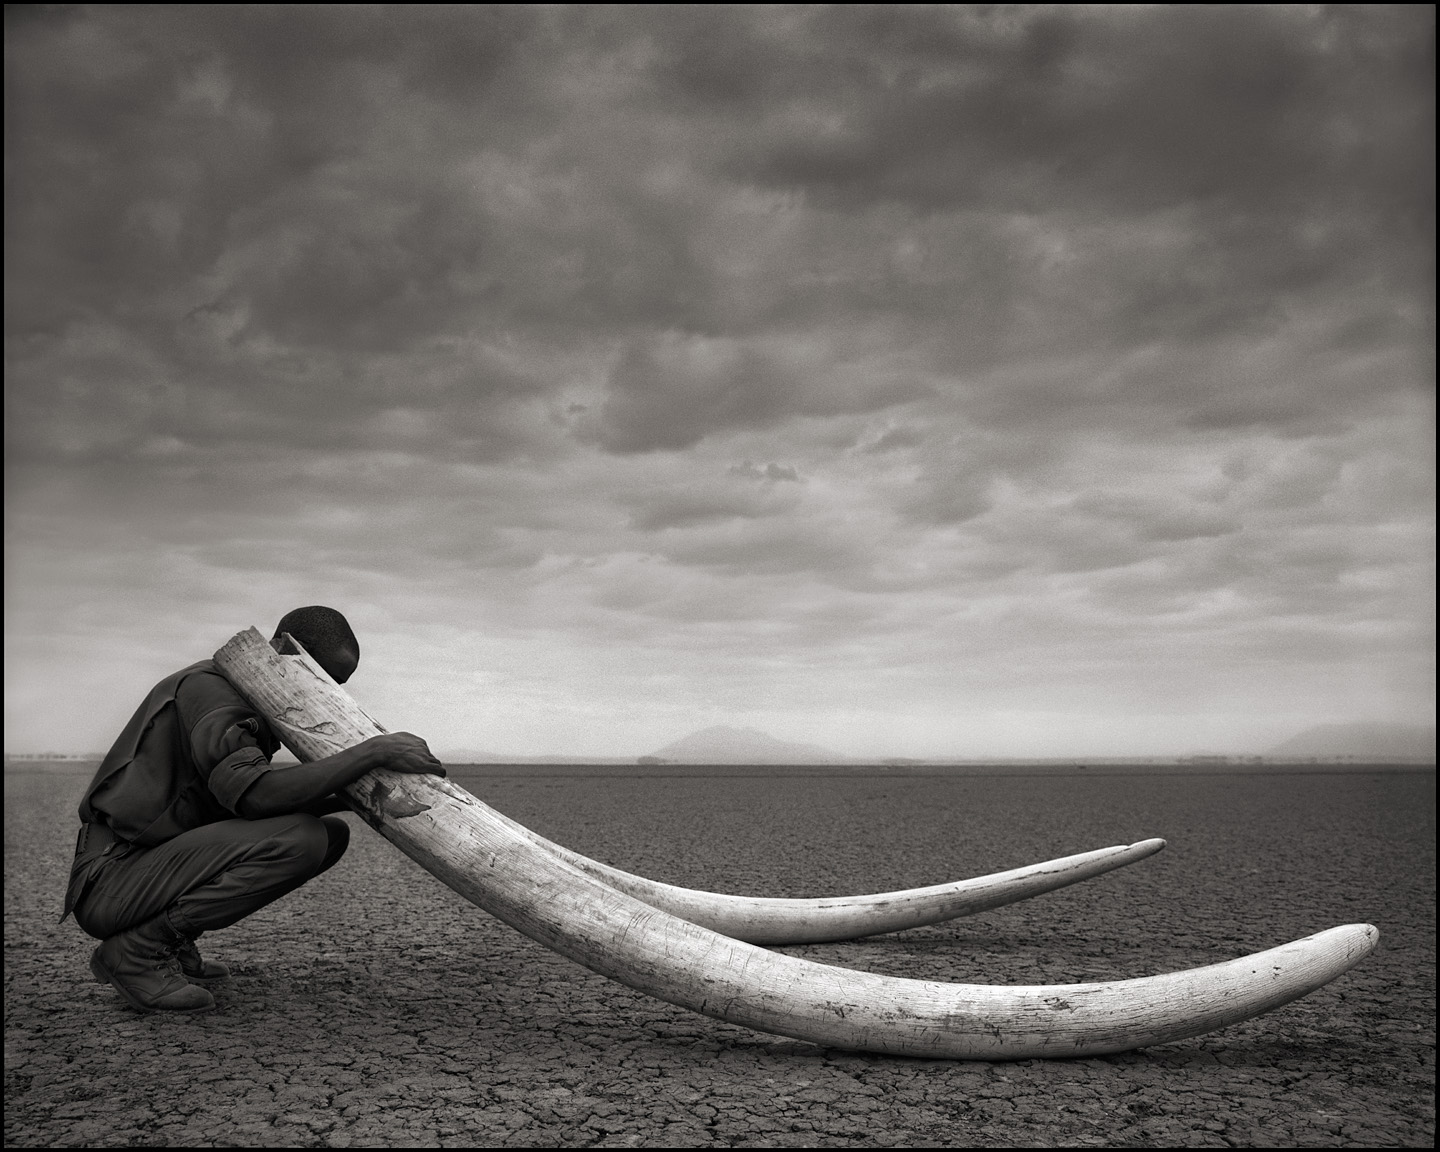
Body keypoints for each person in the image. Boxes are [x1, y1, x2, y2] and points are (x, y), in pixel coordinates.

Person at [63, 605, 445, 1013]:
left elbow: (241, 804)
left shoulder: (240, 693)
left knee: (331, 835)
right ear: (281, 649)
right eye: (319, 676)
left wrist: (357, 799)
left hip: (145, 869)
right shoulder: (213, 693)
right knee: (302, 839)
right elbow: (257, 797)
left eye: (335, 687)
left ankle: (168, 941)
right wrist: (373, 751)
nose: (324, 693)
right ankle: (139, 951)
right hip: (113, 879)